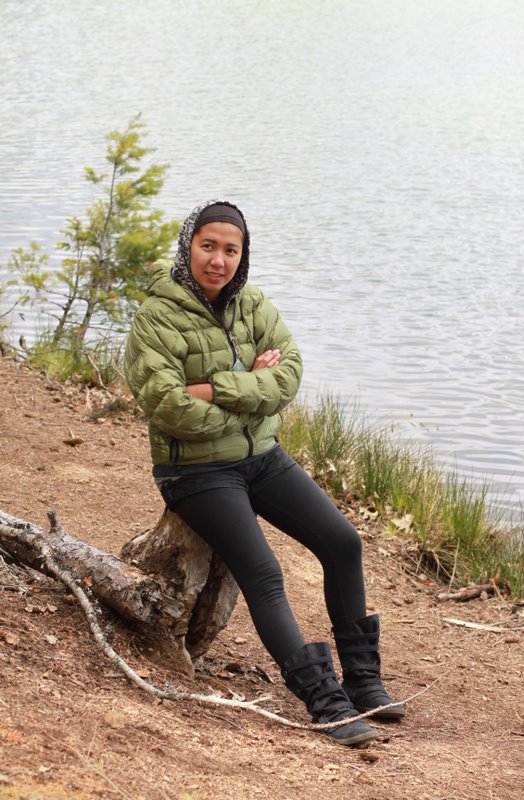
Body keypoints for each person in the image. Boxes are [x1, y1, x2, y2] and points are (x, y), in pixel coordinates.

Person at [124, 200, 405, 747]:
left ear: (242, 255)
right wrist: (250, 392)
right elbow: (169, 407)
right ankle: (326, 703)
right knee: (265, 572)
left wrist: (215, 388)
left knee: (343, 543)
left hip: (262, 458)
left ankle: (363, 682)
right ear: (187, 247)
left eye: (231, 250)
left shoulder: (252, 303)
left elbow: (289, 374)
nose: (219, 260)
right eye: (208, 246)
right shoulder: (156, 317)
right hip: (196, 471)